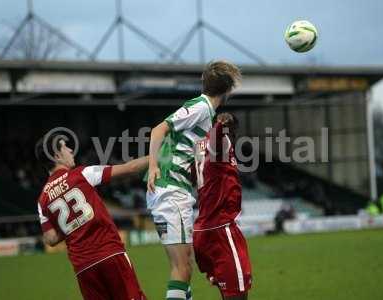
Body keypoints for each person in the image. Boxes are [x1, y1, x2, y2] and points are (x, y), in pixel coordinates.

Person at [147, 61, 241, 300]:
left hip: (173, 189)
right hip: (171, 190)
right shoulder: (201, 107)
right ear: (228, 89)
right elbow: (159, 130)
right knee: (182, 268)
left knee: (185, 264)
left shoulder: (206, 114)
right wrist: (152, 166)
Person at [35, 133, 148, 300]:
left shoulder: (42, 199)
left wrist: (73, 223)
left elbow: (50, 238)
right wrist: (156, 155)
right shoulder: (82, 174)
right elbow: (130, 168)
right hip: (109, 254)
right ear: (57, 155)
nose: (71, 150)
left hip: (83, 268)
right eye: (65, 147)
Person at [193, 113, 252, 300]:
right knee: (238, 294)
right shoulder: (221, 140)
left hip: (204, 229)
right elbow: (216, 141)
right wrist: (222, 125)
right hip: (220, 229)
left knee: (228, 293)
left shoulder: (198, 146)